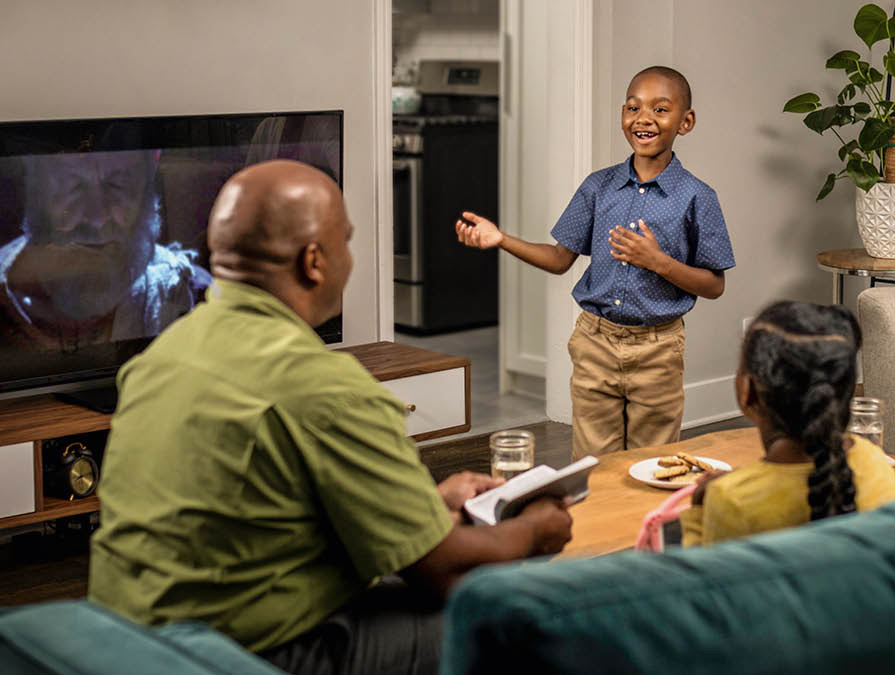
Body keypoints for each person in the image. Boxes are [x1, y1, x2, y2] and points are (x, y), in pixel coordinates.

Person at [88, 160, 574, 675]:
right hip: (240, 656)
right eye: (347, 240)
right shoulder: (326, 387)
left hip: (128, 642)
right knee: (518, 618)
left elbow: (249, 511)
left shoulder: (162, 356)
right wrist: (534, 531)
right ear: (315, 262)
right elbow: (446, 571)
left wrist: (426, 505)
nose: (351, 256)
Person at [454, 65, 735, 459]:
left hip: (658, 350)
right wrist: (501, 239)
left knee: (651, 464)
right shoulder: (597, 187)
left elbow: (714, 285)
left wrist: (657, 261)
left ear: (685, 122)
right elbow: (558, 259)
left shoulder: (697, 197)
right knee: (593, 464)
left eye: (660, 109)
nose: (643, 119)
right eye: (633, 107)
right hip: (594, 343)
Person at [678, 301, 895, 547]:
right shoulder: (876, 464)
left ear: (747, 391)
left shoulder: (731, 501)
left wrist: (699, 510)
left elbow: (708, 581)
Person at [0, 149, 210, 352]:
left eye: (118, 185)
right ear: (37, 186)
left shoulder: (190, 296)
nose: (97, 219)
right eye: (71, 185)